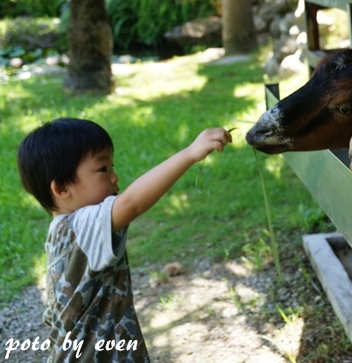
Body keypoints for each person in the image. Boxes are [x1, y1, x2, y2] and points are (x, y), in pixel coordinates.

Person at [17, 117, 232, 362]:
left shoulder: (61, 231)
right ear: (63, 189)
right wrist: (190, 154)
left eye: (112, 166)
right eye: (102, 169)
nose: (114, 177)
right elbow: (132, 203)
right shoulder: (81, 226)